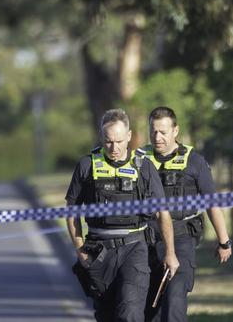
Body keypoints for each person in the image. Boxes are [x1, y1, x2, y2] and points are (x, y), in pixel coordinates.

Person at [65, 108, 179, 322]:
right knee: (106, 316)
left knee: (130, 313)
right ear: (101, 137)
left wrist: (170, 253)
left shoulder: (144, 167)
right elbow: (72, 212)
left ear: (129, 136)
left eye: (119, 141)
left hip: (134, 248)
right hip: (99, 252)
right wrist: (81, 252)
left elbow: (162, 213)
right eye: (108, 141)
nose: (114, 147)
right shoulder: (86, 165)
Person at [143, 106, 231, 322]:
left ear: (175, 131)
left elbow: (212, 203)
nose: (158, 137)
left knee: (174, 303)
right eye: (153, 131)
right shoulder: (139, 159)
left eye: (163, 132)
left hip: (182, 237)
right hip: (146, 239)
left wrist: (224, 241)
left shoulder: (195, 161)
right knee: (148, 309)